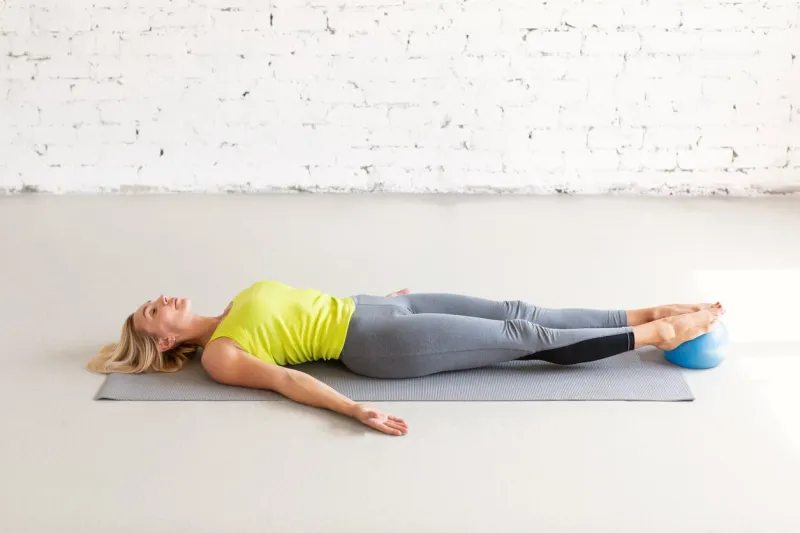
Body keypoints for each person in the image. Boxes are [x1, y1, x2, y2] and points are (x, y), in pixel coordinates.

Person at [88, 280, 724, 436]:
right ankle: (657, 338)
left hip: (385, 307)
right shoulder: (220, 355)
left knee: (518, 309)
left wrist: (382, 296)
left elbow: (311, 303)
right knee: (519, 341)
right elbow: (286, 379)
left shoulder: (233, 304)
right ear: (165, 340)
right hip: (376, 346)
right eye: (153, 311)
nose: (162, 300)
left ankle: (641, 314)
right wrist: (350, 408)